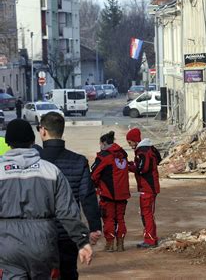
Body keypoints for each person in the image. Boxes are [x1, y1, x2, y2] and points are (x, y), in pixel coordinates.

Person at [0, 119, 93, 279]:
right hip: (43, 244)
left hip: (7, 245)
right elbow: (67, 212)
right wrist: (82, 241)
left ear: (8, 142)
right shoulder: (51, 171)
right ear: (32, 140)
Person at [38, 112, 102, 280]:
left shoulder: (34, 162)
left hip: (39, 234)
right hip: (68, 233)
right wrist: (95, 227)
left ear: (42, 131)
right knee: (68, 273)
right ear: (62, 131)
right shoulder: (78, 161)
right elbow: (87, 196)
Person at [91, 131, 130, 252]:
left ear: (103, 143)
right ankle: (120, 244)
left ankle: (110, 244)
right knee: (120, 219)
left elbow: (94, 174)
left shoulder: (104, 156)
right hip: (122, 193)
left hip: (108, 194)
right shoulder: (123, 154)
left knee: (108, 219)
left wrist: (95, 185)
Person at [126, 128, 162, 248]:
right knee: (147, 213)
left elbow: (142, 168)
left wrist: (128, 166)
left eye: (130, 143)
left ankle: (150, 240)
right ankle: (151, 237)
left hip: (148, 188)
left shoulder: (143, 152)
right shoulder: (149, 149)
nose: (130, 145)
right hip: (149, 187)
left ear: (135, 141)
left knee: (146, 213)